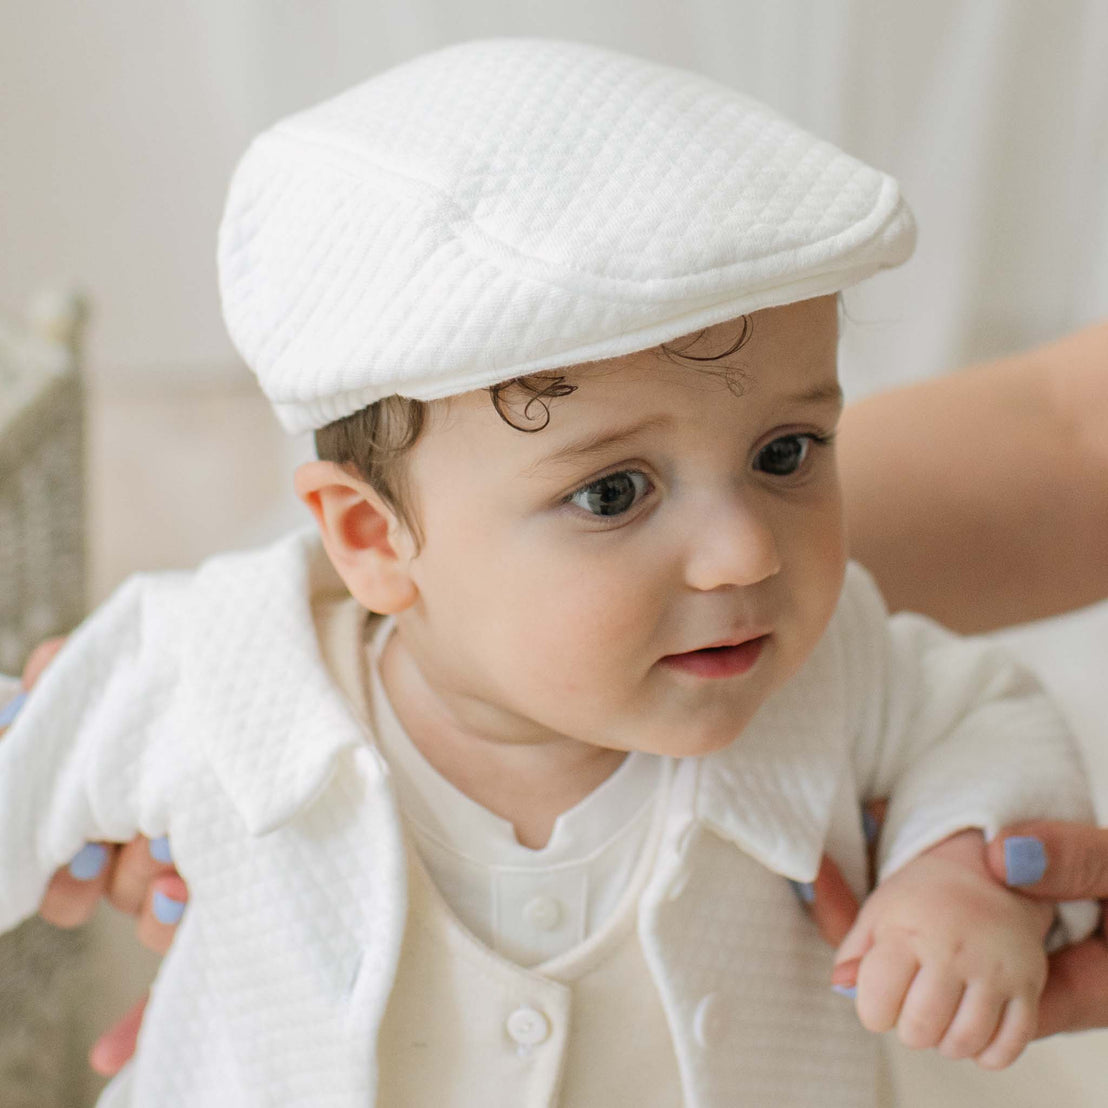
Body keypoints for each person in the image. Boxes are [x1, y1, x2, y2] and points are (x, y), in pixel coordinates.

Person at [0, 40, 1095, 1106]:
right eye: (613, 493)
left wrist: (962, 869)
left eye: (786, 453)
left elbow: (985, 717)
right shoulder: (217, 674)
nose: (747, 552)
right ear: (373, 538)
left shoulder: (837, 668)